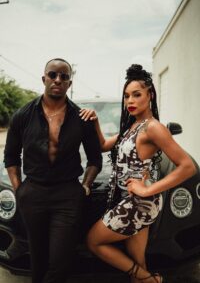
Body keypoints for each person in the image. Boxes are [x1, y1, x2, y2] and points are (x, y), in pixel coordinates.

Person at [79, 64, 196, 283]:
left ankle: (150, 280)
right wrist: (95, 121)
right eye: (126, 96)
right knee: (137, 261)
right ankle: (144, 276)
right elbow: (104, 145)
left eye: (136, 95)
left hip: (139, 204)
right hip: (131, 200)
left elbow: (187, 166)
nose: (130, 101)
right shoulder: (134, 126)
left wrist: (149, 188)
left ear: (150, 95)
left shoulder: (153, 127)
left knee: (93, 241)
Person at [4, 58, 102, 283]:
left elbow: (95, 159)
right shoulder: (23, 115)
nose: (58, 80)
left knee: (60, 262)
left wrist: (85, 186)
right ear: (44, 78)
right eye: (53, 75)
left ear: (69, 83)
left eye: (64, 77)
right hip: (33, 193)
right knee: (38, 259)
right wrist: (19, 190)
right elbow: (10, 156)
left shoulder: (81, 118)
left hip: (67, 195)